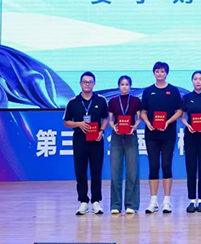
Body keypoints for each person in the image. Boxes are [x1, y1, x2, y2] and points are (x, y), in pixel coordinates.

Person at [63, 71, 108, 215]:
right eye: (85, 82)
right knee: (80, 170)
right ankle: (83, 201)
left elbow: (106, 118)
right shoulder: (73, 102)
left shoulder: (101, 100)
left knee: (96, 170)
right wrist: (79, 124)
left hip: (96, 139)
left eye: (90, 82)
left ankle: (96, 201)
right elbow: (66, 122)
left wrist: (101, 130)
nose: (87, 84)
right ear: (80, 84)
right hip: (80, 139)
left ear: (94, 84)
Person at [140, 62, 183, 214]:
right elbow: (143, 112)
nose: (160, 74)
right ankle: (153, 202)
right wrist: (147, 122)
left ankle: (166, 201)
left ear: (166, 73)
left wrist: (168, 122)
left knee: (166, 165)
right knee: (153, 166)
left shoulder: (173, 90)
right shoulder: (148, 91)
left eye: (162, 71)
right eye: (157, 71)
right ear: (154, 73)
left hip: (168, 134)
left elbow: (179, 111)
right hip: (152, 134)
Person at [107, 75, 141, 215]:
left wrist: (134, 127)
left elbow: (139, 118)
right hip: (116, 136)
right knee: (115, 171)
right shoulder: (113, 101)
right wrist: (113, 127)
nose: (124, 87)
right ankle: (115, 205)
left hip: (131, 136)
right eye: (122, 84)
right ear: (119, 86)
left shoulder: (136, 101)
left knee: (132, 171)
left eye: (127, 84)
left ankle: (131, 204)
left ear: (130, 86)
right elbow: (110, 120)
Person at [181, 71, 201, 213]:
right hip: (191, 135)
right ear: (192, 81)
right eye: (195, 79)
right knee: (191, 167)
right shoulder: (187, 97)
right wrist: (187, 125)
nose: (198, 81)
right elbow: (182, 117)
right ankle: (191, 200)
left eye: (200, 79)